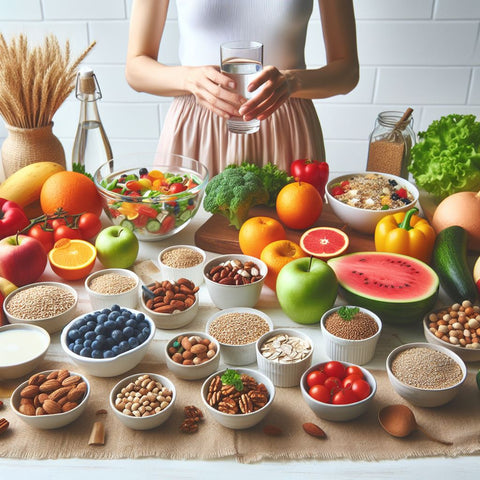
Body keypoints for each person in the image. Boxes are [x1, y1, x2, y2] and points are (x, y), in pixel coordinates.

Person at [126, 0, 359, 177]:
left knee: (289, 238)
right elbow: (135, 68)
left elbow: (347, 71)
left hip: (286, 127)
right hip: (197, 127)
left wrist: (292, 81)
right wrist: (189, 79)